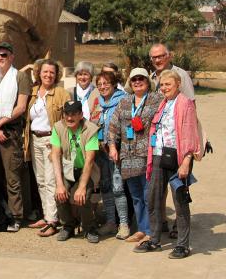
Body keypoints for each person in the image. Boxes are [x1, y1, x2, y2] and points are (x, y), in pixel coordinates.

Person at [134, 70, 201, 259]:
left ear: (178, 84)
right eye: (162, 85)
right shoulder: (162, 104)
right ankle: (154, 240)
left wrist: (186, 161)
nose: (164, 88)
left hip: (178, 157)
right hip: (158, 155)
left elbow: (190, 133)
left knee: (180, 202)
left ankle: (182, 244)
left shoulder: (185, 104)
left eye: (168, 84)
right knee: (153, 198)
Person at [108, 68, 163, 244]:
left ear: (148, 81)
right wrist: (111, 146)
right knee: (137, 196)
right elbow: (113, 126)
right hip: (128, 157)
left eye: (141, 79)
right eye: (134, 79)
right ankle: (141, 229)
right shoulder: (124, 102)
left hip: (149, 156)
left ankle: (151, 231)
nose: (137, 82)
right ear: (130, 83)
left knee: (149, 196)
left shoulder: (157, 100)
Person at [0, 41, 31, 232]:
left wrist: (0, 124)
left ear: (12, 56)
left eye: (4, 55)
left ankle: (16, 216)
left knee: (12, 175)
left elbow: (21, 107)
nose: (0, 58)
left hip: (10, 130)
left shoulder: (20, 77)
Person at [24, 58, 69, 237]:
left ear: (56, 74)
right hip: (35, 139)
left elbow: (68, 120)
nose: (48, 75)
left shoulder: (62, 94)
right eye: (45, 72)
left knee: (52, 181)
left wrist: (58, 139)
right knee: (41, 180)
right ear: (38, 73)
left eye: (52, 72)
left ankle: (53, 220)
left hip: (52, 140)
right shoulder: (33, 92)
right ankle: (46, 214)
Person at [51, 100, 101, 243]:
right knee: (59, 194)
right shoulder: (58, 127)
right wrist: (59, 184)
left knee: (82, 196)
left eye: (74, 114)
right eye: (67, 114)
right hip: (68, 169)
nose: (69, 118)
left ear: (81, 115)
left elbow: (90, 160)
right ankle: (68, 226)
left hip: (86, 169)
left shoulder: (91, 129)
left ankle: (89, 228)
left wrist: (82, 187)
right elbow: (55, 155)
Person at [94, 70, 131, 239]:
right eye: (99, 84)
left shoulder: (122, 100)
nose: (102, 87)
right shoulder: (99, 103)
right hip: (102, 151)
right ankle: (110, 222)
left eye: (106, 84)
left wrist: (114, 145)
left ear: (114, 84)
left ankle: (124, 224)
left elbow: (125, 126)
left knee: (118, 188)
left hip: (116, 150)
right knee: (106, 187)